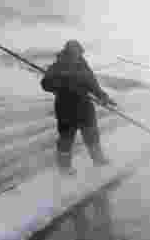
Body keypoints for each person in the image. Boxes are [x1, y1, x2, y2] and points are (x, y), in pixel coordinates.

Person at [40, 40, 114, 175]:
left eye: (78, 52)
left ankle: (98, 160)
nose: (76, 55)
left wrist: (103, 96)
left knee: (92, 134)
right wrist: (59, 81)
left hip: (85, 106)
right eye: (73, 52)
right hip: (65, 107)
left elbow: (93, 84)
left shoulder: (83, 66)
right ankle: (64, 168)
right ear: (67, 52)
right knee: (66, 138)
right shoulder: (57, 66)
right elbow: (45, 84)